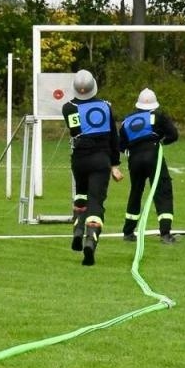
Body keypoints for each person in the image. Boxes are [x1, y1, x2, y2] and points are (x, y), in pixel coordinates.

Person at [61, 69, 123, 267]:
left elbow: (75, 131)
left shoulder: (68, 108)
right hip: (101, 158)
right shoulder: (106, 106)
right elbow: (114, 137)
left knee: (81, 193)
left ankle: (78, 229)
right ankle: (90, 241)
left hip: (80, 159)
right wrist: (115, 164)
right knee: (96, 201)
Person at [120, 87, 180, 244]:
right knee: (163, 191)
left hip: (134, 158)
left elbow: (121, 145)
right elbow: (173, 135)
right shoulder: (159, 116)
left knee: (136, 192)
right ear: (155, 105)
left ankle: (128, 231)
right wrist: (161, 142)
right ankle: (165, 234)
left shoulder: (127, 120)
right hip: (153, 154)